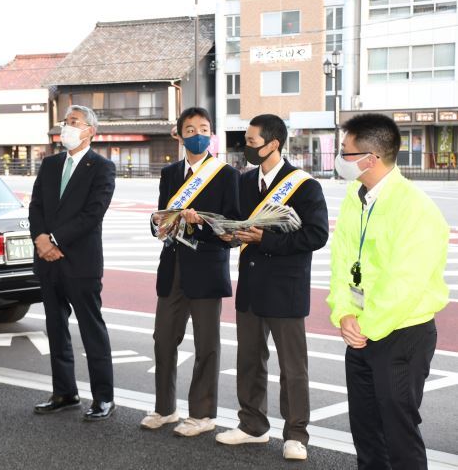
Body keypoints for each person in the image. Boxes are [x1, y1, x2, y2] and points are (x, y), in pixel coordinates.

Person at [327, 113, 449, 470]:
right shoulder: (356, 195)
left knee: (399, 431)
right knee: (365, 430)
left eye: (345, 152)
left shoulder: (416, 208)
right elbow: (342, 261)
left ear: (370, 159)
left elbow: (405, 283)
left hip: (402, 335)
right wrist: (344, 313)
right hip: (362, 331)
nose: (339, 158)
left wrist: (364, 324)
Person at [215, 114, 328, 460]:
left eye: (251, 142)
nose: (245, 148)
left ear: (273, 144)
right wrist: (228, 235)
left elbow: (317, 235)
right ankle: (252, 425)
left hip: (285, 288)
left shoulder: (305, 185)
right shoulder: (244, 182)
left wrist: (266, 239)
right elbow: (238, 226)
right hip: (250, 286)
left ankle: (296, 434)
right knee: (249, 360)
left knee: (293, 367)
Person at [141, 107, 240, 437]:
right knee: (163, 340)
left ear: (211, 134)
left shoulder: (226, 175)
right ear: (179, 134)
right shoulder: (170, 173)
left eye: (204, 127)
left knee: (206, 345)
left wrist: (203, 223)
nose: (197, 133)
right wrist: (158, 223)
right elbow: (161, 217)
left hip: (207, 268)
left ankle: (202, 414)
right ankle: (165, 408)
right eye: (190, 128)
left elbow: (232, 228)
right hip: (172, 269)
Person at [29, 105, 116, 421]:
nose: (66, 127)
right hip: (49, 263)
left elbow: (93, 214)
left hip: (80, 262)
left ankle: (103, 397)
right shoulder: (50, 164)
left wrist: (54, 240)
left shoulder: (102, 167)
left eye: (73, 122)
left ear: (90, 131)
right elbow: (36, 206)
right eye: (65, 121)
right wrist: (40, 239)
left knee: (92, 330)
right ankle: (64, 393)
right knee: (55, 328)